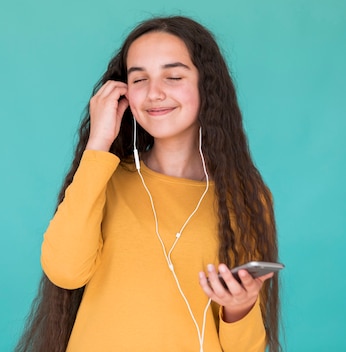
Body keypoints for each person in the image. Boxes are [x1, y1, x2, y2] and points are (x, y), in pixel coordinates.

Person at [15, 16, 281, 352]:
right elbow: (65, 271)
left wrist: (240, 306)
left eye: (173, 76)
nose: (154, 93)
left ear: (206, 85)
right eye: (139, 79)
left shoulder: (246, 198)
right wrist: (98, 143)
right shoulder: (103, 178)